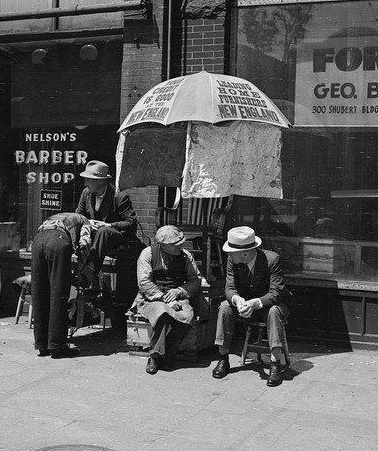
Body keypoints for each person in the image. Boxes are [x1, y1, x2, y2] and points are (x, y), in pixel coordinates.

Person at [212, 226, 293, 386]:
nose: (228, 254)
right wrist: (237, 300)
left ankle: (275, 364)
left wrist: (255, 303)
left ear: (245, 252)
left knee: (274, 312)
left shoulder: (272, 260)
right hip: (245, 305)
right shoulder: (232, 260)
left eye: (231, 251)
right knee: (224, 307)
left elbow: (275, 293)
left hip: (270, 306)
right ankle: (223, 358)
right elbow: (229, 288)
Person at [131, 225, 203, 374]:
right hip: (151, 298)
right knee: (162, 313)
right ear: (163, 245)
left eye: (181, 244)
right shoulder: (147, 254)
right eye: (175, 245)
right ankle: (155, 356)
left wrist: (179, 291)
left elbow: (195, 281)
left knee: (186, 316)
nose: (180, 247)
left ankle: (166, 355)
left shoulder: (186, 256)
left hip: (178, 297)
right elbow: (144, 283)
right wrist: (164, 298)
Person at [31, 212, 92, 359]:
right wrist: (82, 267)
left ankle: (42, 345)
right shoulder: (85, 221)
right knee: (58, 295)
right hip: (57, 242)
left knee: (40, 294)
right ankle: (58, 347)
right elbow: (85, 242)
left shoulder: (58, 216)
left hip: (38, 241)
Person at [76, 160, 137, 283]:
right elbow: (78, 216)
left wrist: (108, 225)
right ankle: (77, 271)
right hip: (94, 238)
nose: (85, 183)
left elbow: (131, 223)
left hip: (116, 238)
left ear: (100, 181)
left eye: (88, 180)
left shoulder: (119, 196)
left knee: (103, 231)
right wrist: (87, 225)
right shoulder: (86, 193)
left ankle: (90, 271)